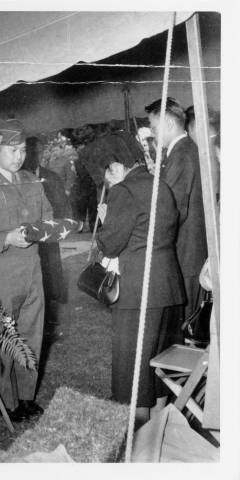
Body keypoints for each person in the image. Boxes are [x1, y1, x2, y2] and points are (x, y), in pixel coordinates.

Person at [0, 119, 53, 422]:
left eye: (22, 150)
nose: (18, 156)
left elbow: (47, 214)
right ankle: (9, 400)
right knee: (4, 337)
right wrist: (5, 238)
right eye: (12, 150)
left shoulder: (30, 179)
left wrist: (47, 229)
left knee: (31, 335)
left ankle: (26, 396)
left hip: (32, 270)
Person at [96, 156, 185, 427]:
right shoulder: (161, 185)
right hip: (167, 287)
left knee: (132, 371)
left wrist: (106, 218)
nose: (109, 181)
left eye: (108, 174)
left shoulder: (123, 191)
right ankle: (160, 431)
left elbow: (110, 245)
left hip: (138, 292)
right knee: (158, 366)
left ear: (117, 167)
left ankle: (137, 439)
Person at [145, 98, 208, 323]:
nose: (153, 133)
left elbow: (170, 209)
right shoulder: (185, 150)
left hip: (186, 252)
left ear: (169, 125)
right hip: (190, 249)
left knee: (187, 321)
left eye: (154, 128)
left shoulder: (181, 155)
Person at [23, 136, 71, 304]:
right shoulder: (17, 178)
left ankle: (55, 299)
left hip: (49, 233)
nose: (35, 156)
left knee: (52, 268)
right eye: (31, 152)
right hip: (27, 235)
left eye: (38, 152)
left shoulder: (52, 177)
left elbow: (63, 205)